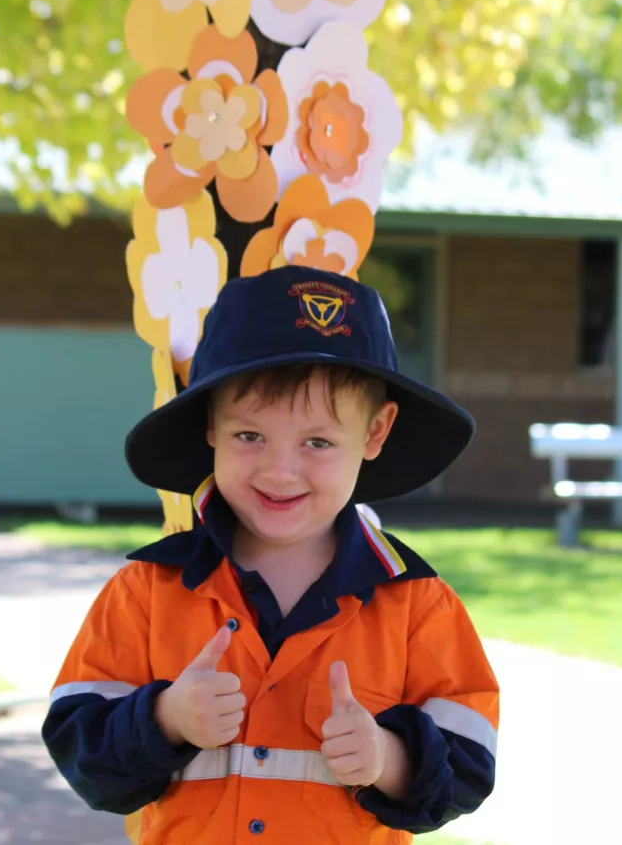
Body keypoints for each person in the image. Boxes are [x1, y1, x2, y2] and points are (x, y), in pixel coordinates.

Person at [42, 265, 499, 844]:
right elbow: (80, 753)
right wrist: (167, 719)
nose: (281, 471)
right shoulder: (145, 592)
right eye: (250, 436)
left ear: (376, 433)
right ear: (210, 424)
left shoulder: (418, 607)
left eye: (318, 442)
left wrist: (388, 758)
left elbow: (470, 765)